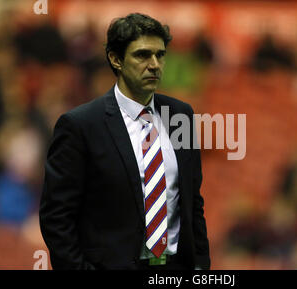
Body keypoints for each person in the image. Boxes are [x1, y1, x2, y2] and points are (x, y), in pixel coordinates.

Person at [39, 13, 210, 270]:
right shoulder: (80, 125)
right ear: (115, 59)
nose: (154, 64)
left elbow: (192, 201)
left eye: (160, 55)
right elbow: (56, 217)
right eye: (142, 55)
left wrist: (200, 266)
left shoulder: (180, 116)